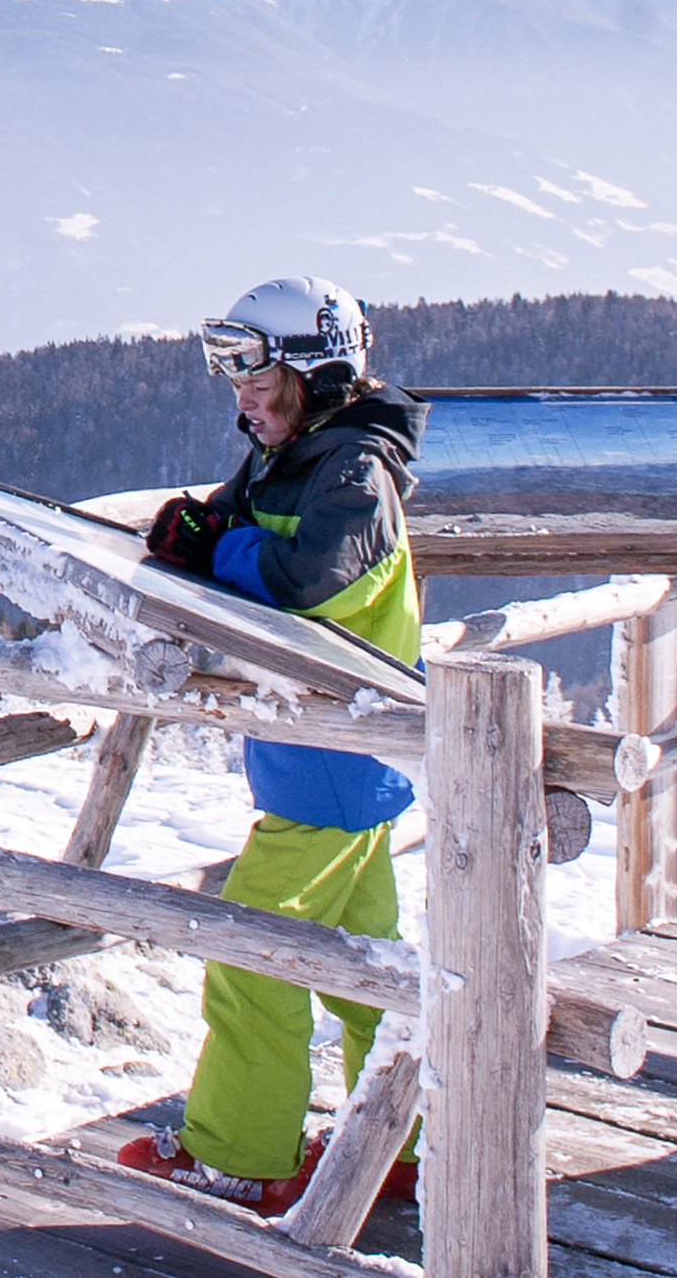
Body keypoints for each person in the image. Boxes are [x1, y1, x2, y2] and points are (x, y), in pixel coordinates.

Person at [116, 276, 427, 1216]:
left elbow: (304, 582)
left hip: (331, 759)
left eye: (258, 377)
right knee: (366, 964)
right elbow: (221, 525)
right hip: (325, 759)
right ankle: (404, 1140)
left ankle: (240, 1159)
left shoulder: (351, 470)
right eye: (233, 380)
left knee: (252, 953)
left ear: (318, 372)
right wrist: (201, 531)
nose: (241, 398)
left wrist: (217, 549)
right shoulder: (284, 455)